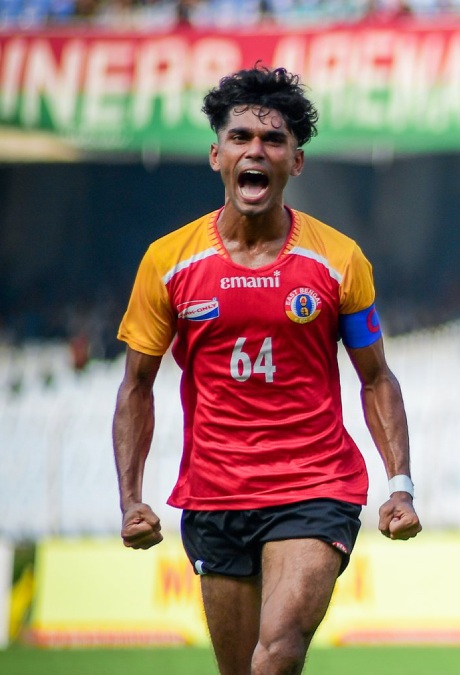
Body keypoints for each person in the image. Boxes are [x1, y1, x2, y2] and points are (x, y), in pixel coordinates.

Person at [112, 65, 422, 675]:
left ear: (295, 162)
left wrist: (401, 485)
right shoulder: (167, 263)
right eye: (240, 137)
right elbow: (136, 386)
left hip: (316, 486)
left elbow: (376, 378)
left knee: (276, 652)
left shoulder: (339, 259)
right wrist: (130, 500)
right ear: (217, 156)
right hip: (215, 494)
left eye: (274, 140)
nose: (256, 150)